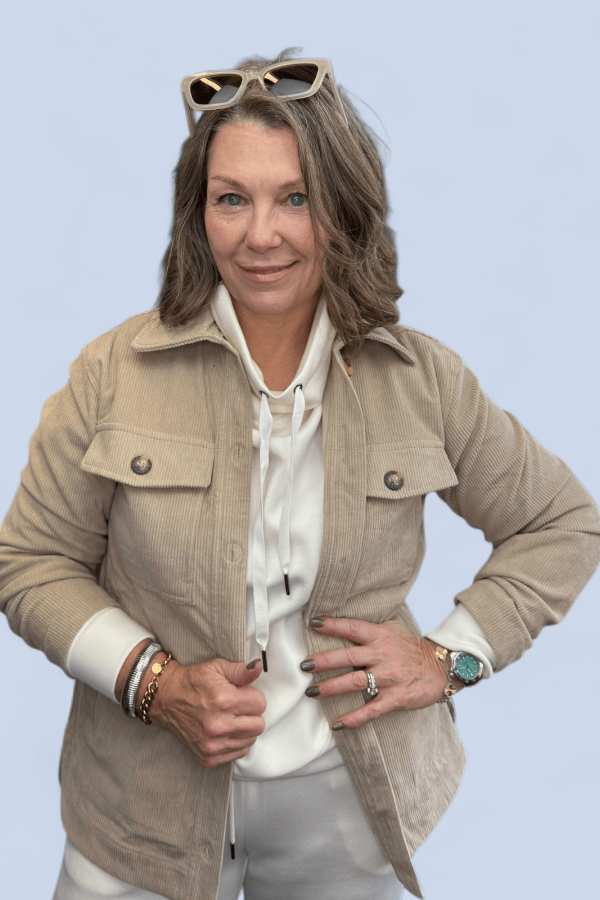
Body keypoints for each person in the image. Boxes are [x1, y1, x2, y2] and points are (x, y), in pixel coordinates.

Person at [1, 54, 599, 900]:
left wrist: (448, 659)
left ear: (342, 207)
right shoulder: (112, 372)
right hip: (138, 807)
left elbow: (563, 524)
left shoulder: (420, 379)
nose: (261, 234)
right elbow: (29, 561)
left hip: (343, 809)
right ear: (196, 212)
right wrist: (155, 684)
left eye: (296, 197)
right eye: (231, 198)